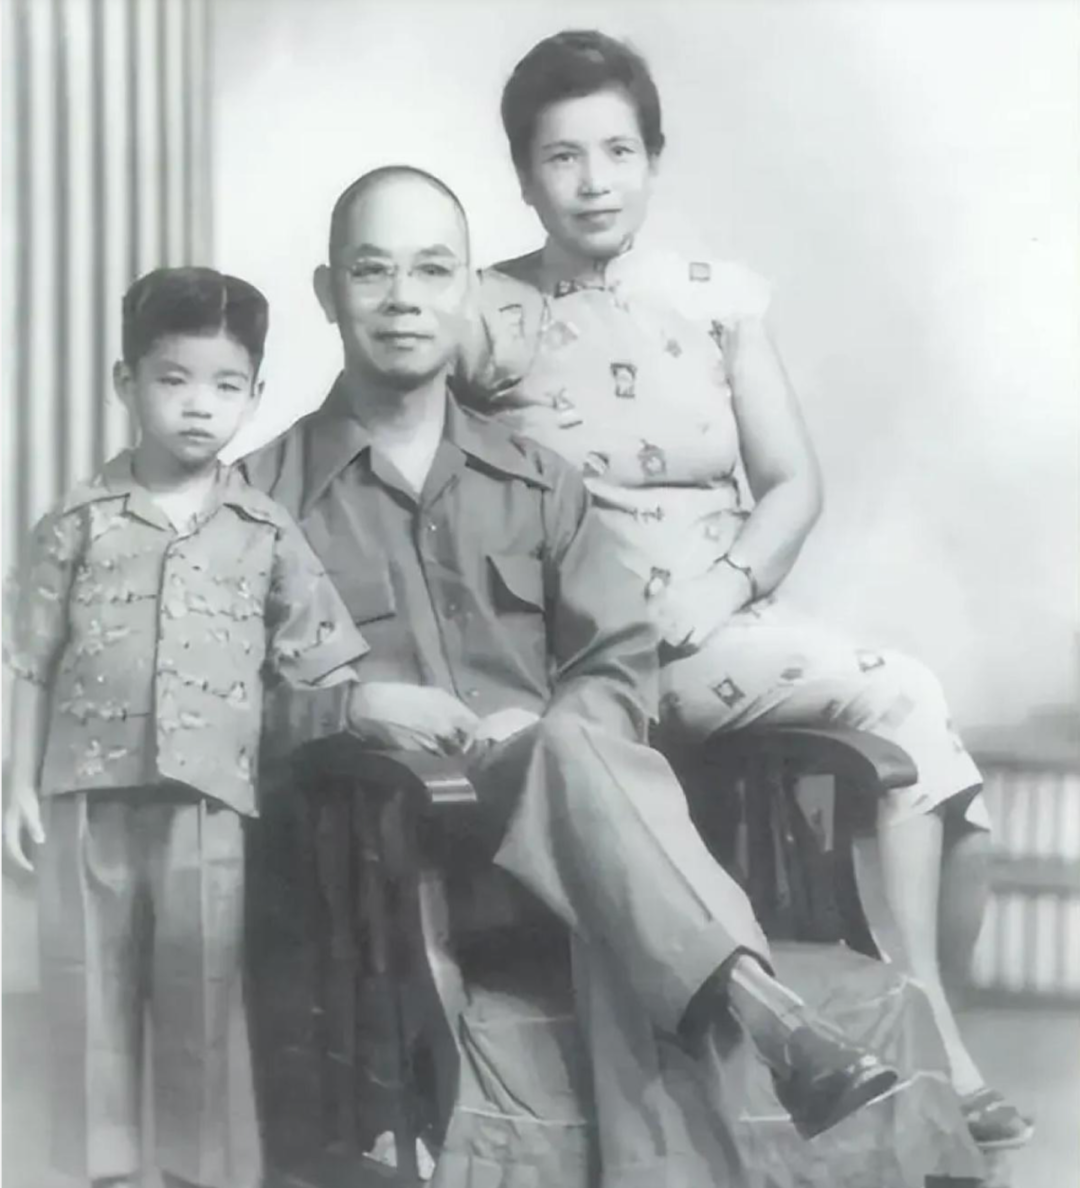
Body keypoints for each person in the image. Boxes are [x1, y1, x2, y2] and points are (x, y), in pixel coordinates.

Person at [240, 165, 901, 1187]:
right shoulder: (257, 502)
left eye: (433, 271)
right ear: (329, 294)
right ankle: (767, 1010)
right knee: (586, 800)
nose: (405, 298)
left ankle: (749, 1006)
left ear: (471, 295)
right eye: (373, 272)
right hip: (386, 864)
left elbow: (618, 659)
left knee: (574, 752)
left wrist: (556, 737)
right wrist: (352, 706)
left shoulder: (539, 483)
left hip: (566, 838)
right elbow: (217, 711)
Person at [457, 28, 1030, 1150]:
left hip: (727, 625)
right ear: (523, 175)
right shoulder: (483, 315)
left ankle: (934, 1028)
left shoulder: (714, 298)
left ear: (654, 160)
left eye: (619, 151)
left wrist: (724, 586)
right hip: (595, 659)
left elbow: (792, 483)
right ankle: (925, 1051)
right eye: (562, 157)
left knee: (917, 714)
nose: (594, 181)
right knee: (907, 700)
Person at [2, 267, 370, 1188]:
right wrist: (17, 783)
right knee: (85, 984)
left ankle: (193, 1169)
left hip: (210, 798)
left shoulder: (264, 529)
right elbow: (30, 661)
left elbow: (323, 664)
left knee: (198, 990)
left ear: (254, 394)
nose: (200, 405)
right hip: (84, 792)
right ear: (125, 382)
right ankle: (92, 1169)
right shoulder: (76, 522)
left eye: (226, 385)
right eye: (174, 380)